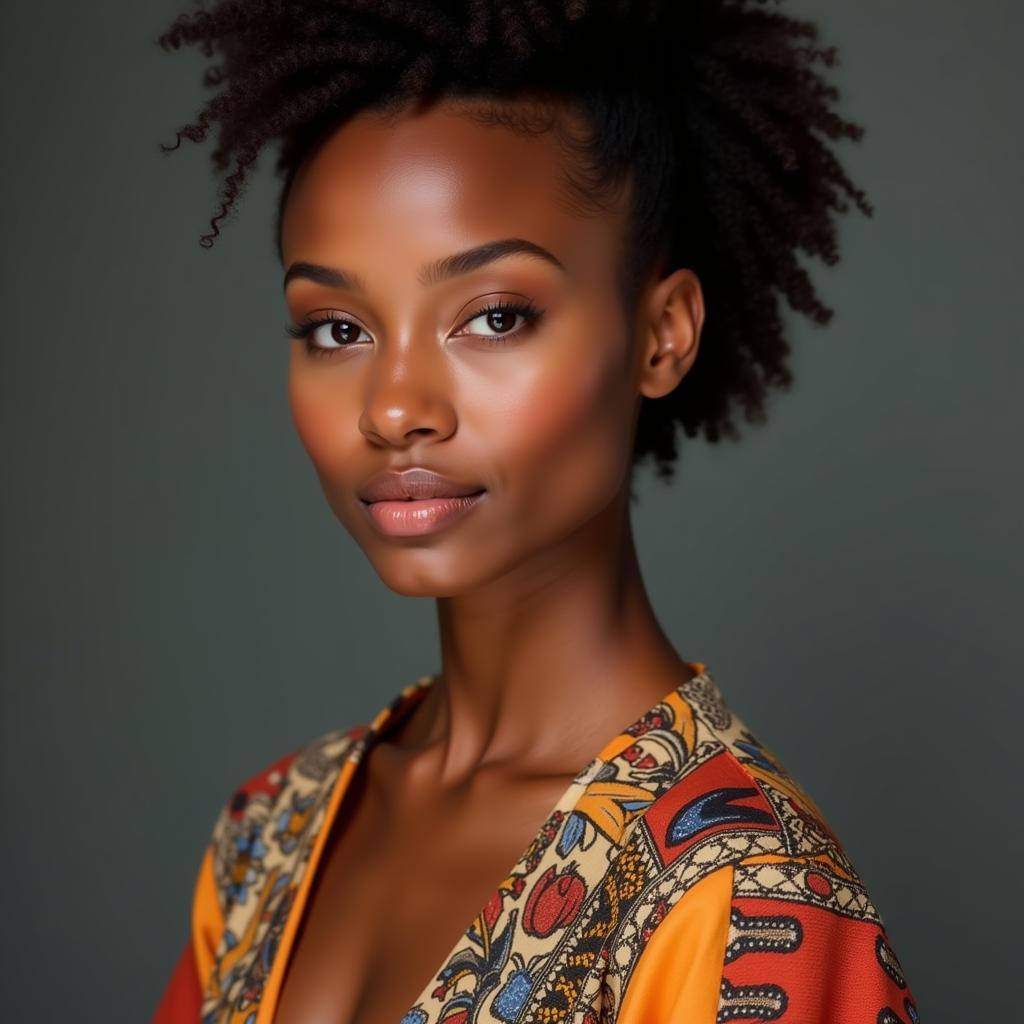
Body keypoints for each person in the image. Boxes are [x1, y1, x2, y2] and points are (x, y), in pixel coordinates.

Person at [152, 2, 918, 1022]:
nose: (393, 407)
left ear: (661, 334)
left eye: (494, 316)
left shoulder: (740, 899)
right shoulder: (265, 834)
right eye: (336, 327)